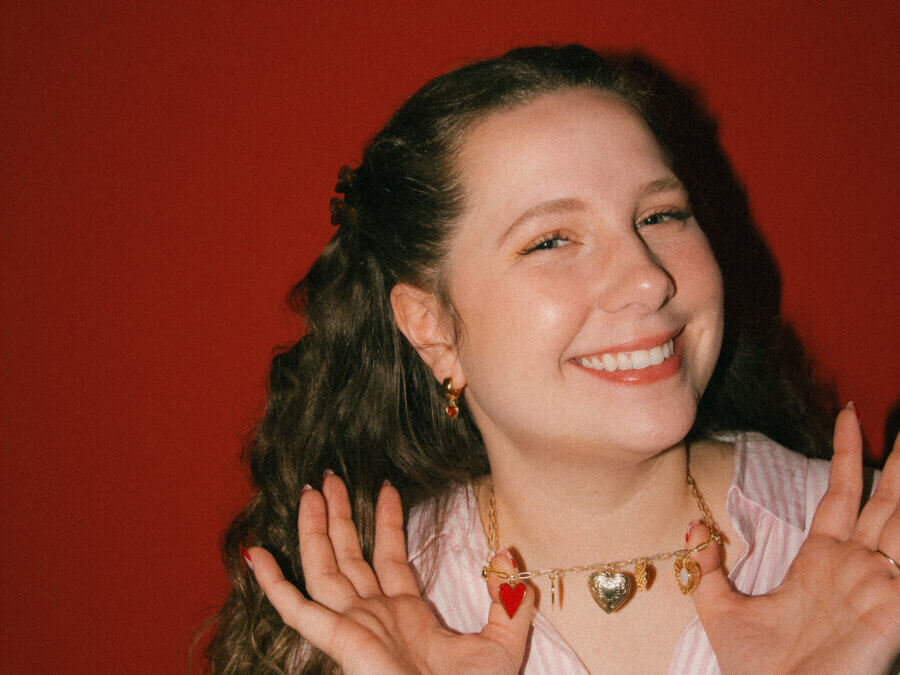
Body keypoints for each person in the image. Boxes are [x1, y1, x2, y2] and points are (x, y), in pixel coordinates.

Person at [202, 45, 899, 673]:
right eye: (551, 240)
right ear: (433, 329)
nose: (649, 278)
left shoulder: (880, 564)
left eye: (660, 215)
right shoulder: (353, 630)